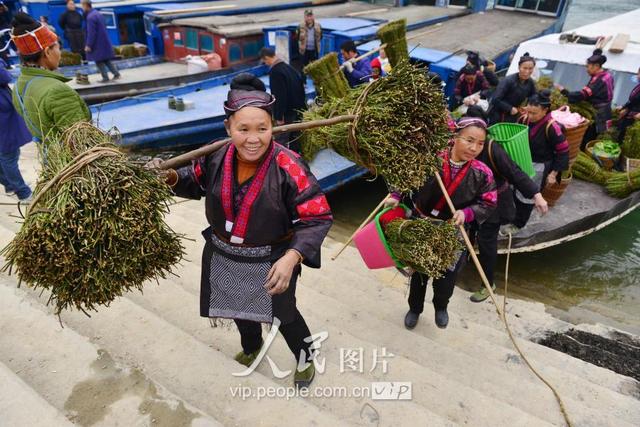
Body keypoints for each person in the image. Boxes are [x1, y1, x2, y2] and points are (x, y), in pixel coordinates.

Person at [147, 73, 333, 388]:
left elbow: (317, 216)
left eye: (262, 128)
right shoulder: (215, 154)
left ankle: (305, 357)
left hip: (274, 258)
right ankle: (252, 347)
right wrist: (170, 179)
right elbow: (194, 179)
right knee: (238, 307)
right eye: (243, 129)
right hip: (226, 252)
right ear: (228, 128)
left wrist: (292, 258)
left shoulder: (290, 166)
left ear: (273, 126)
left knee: (284, 315)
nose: (253, 138)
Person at [387, 117, 497, 329]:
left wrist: (467, 213)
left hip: (452, 230)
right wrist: (395, 195)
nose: (474, 148)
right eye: (469, 140)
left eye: (480, 144)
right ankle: (415, 308)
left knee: (447, 275)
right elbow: (405, 178)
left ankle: (441, 307)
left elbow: (488, 201)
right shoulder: (431, 159)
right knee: (420, 271)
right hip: (423, 222)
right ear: (455, 137)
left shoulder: (482, 173)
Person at [463, 106, 548, 302]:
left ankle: (487, 284)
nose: (473, 143)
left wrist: (536, 195)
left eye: (478, 134)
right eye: (468, 133)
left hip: (494, 205)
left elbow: (514, 172)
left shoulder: (493, 148)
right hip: (470, 200)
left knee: (487, 243)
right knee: (468, 231)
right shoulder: (459, 145)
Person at [11, 12, 90, 144]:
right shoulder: (58, 91)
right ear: (47, 52)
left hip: (50, 158)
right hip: (72, 162)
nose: (60, 53)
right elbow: (81, 142)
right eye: (58, 47)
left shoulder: (19, 85)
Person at [511, 90, 569, 230]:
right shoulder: (522, 119)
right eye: (528, 111)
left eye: (534, 113)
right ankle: (511, 215)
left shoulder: (553, 127)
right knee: (513, 190)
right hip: (521, 160)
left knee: (528, 195)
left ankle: (518, 224)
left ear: (545, 110)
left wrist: (553, 174)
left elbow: (563, 151)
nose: (529, 116)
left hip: (538, 166)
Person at [559, 49, 614, 140]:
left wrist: (565, 92)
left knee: (590, 134)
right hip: (605, 108)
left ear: (596, 66)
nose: (586, 70)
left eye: (588, 67)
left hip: (599, 112)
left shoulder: (599, 80)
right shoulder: (607, 74)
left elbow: (583, 94)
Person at [259, 47, 306, 152]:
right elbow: (301, 87)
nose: (266, 64)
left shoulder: (275, 72)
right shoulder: (289, 68)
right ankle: (295, 158)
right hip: (298, 109)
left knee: (281, 139)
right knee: (295, 138)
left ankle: (281, 162)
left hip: (287, 113)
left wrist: (279, 116)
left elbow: (279, 96)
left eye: (265, 61)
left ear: (267, 58)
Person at [0, 57, 32, 201]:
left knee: (5, 154)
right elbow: (5, 76)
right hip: (3, 114)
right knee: (9, 155)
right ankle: (23, 192)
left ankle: (9, 185)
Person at [488, 52, 537, 124]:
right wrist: (510, 108)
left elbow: (533, 96)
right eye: (525, 68)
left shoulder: (530, 82)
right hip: (498, 115)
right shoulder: (508, 81)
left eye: (530, 69)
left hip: (513, 115)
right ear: (519, 67)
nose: (527, 71)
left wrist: (528, 106)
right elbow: (495, 99)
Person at [82, 0, 120, 83]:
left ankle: (105, 77)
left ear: (85, 5)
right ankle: (116, 73)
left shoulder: (90, 17)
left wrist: (88, 45)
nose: (82, 8)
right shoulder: (98, 13)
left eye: (82, 5)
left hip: (97, 43)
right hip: (103, 41)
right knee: (106, 59)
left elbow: (91, 32)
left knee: (98, 60)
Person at [616, 67, 640, 143]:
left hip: (636, 119)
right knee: (621, 135)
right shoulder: (638, 87)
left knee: (630, 140)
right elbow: (632, 100)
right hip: (631, 115)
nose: (638, 76)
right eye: (638, 73)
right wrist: (624, 108)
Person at [0, 1, 11, 67]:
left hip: (5, 31)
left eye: (1, 6)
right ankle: (6, 65)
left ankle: (7, 64)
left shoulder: (6, 13)